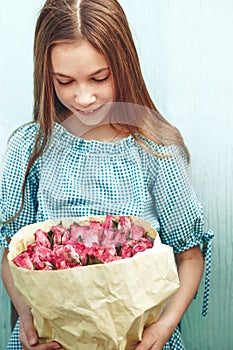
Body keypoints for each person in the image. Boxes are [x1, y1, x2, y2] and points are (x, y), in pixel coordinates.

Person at [0, 0, 213, 349]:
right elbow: (11, 252)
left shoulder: (156, 150)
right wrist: (26, 319)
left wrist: (163, 330)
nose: (84, 97)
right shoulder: (30, 148)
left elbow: (189, 256)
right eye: (65, 81)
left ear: (123, 66)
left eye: (99, 78)